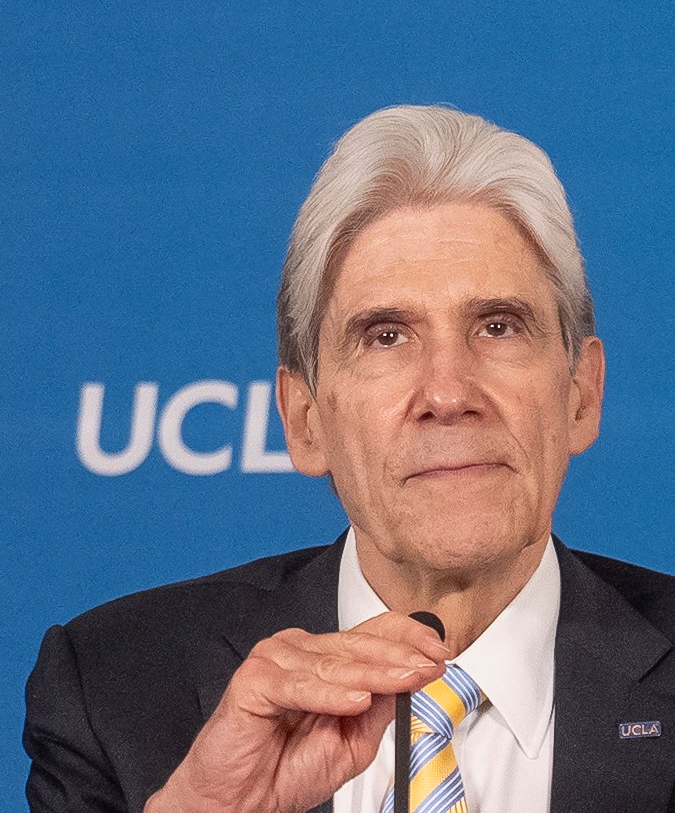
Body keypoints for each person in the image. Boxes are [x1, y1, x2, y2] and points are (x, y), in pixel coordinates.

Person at [25, 106, 674, 813]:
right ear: (305, 422)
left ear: (580, 394)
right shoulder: (113, 686)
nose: (448, 392)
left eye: (497, 326)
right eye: (385, 336)